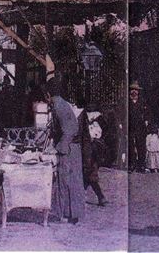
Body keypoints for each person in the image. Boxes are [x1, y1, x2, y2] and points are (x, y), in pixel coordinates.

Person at [48, 77, 85, 224]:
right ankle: (70, 213)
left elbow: (70, 130)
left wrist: (58, 148)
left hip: (68, 148)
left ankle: (67, 214)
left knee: (66, 181)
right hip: (72, 147)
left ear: (49, 94)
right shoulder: (62, 104)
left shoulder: (58, 106)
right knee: (71, 180)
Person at [74, 94, 107, 207]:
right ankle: (99, 197)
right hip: (93, 149)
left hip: (89, 149)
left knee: (88, 173)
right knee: (90, 173)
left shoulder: (83, 116)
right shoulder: (96, 117)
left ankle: (85, 196)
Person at [128, 81, 150, 172]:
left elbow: (147, 113)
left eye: (136, 90)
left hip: (140, 127)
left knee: (141, 146)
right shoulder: (127, 102)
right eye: (132, 90)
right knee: (130, 146)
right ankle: (131, 164)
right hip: (130, 127)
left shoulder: (143, 102)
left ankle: (141, 165)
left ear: (138, 91)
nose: (134, 91)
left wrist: (146, 121)